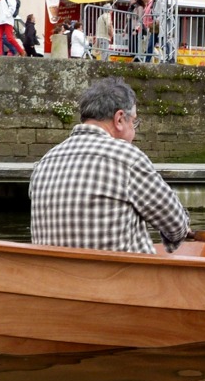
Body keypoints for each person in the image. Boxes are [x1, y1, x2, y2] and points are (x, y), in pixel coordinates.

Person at [29, 77, 190, 254]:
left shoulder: (44, 162)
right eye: (134, 122)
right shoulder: (127, 158)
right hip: (122, 279)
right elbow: (176, 225)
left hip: (57, 279)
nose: (134, 132)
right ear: (119, 119)